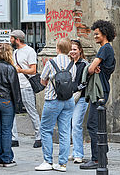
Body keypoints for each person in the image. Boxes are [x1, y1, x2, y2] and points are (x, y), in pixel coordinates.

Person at [35, 38, 76, 172]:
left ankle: (47, 161)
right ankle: (62, 164)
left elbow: (43, 80)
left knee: (46, 130)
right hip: (68, 101)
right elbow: (73, 81)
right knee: (65, 132)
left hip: (53, 99)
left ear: (57, 49)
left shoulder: (51, 62)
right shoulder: (72, 64)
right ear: (69, 49)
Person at [80, 20, 116, 170]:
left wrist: (92, 67)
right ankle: (102, 154)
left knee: (93, 124)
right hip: (103, 89)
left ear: (104, 34)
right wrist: (94, 67)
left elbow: (90, 69)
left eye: (97, 34)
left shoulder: (104, 49)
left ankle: (97, 159)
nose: (94, 36)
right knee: (98, 124)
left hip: (99, 91)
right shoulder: (108, 49)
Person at [10, 30, 42, 148]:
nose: (10, 40)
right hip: (15, 86)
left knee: (31, 111)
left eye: (12, 38)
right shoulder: (15, 52)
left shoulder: (30, 51)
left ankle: (39, 137)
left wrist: (20, 70)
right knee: (11, 112)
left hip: (26, 86)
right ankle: (14, 138)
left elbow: (33, 70)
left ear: (17, 39)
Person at [68, 40, 89, 163]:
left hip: (81, 98)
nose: (72, 51)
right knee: (71, 126)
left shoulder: (84, 64)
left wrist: (73, 89)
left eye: (75, 49)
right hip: (69, 98)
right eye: (70, 49)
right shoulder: (69, 64)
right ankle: (75, 150)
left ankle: (79, 154)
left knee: (76, 125)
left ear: (80, 50)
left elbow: (84, 83)